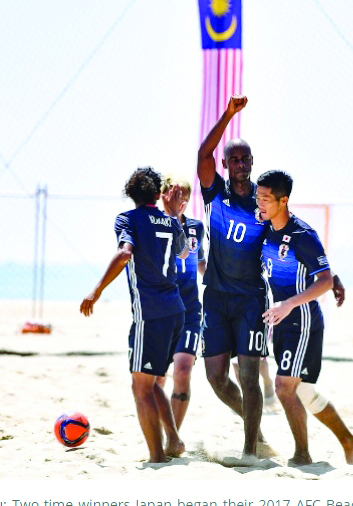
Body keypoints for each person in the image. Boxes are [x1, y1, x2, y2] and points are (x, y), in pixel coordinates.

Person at [257, 169, 353, 466]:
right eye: (258, 197)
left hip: (301, 318)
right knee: (302, 389)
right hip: (282, 318)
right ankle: (349, 441)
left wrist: (290, 303)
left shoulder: (302, 235)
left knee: (284, 387)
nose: (260, 204)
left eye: (266, 198)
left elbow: (323, 281)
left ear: (284, 200)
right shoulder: (263, 227)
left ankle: (303, 456)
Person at [80, 167, 189, 463]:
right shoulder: (170, 221)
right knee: (152, 382)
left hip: (151, 315)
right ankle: (174, 441)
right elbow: (182, 254)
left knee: (140, 386)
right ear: (157, 193)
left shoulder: (127, 219)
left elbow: (125, 252)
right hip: (176, 312)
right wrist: (174, 215)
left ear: (131, 194)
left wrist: (97, 290)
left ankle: (156, 457)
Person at [197, 95, 270, 458]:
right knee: (215, 379)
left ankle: (250, 451)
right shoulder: (216, 196)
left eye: (245, 158)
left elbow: (291, 235)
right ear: (226, 165)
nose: (240, 164)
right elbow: (202, 155)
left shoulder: (265, 200)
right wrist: (227, 115)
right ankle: (256, 430)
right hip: (215, 297)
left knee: (249, 377)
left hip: (251, 300)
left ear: (252, 163)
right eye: (234, 159)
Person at [156, 177, 206, 431]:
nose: (181, 201)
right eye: (176, 194)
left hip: (189, 310)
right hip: (161, 311)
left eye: (185, 195)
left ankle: (172, 436)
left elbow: (200, 264)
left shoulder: (197, 227)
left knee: (183, 371)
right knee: (157, 378)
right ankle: (156, 430)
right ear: (163, 195)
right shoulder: (155, 225)